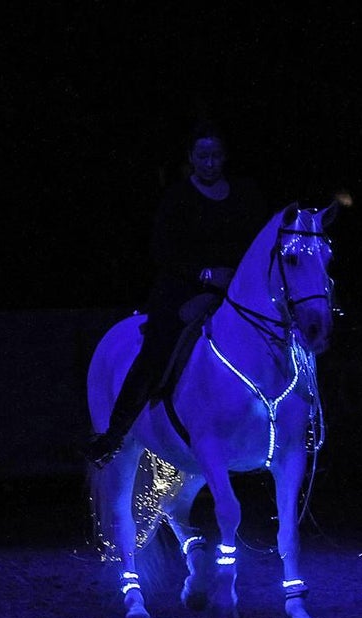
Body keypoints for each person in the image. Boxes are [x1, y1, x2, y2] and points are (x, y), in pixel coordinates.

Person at [84, 120, 269, 467]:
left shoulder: (245, 194)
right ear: (192, 158)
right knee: (158, 348)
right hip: (185, 289)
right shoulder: (178, 197)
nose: (210, 163)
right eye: (203, 156)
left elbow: (256, 241)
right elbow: (162, 249)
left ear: (224, 157)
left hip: (235, 291)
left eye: (215, 155)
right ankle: (116, 433)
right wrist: (206, 273)